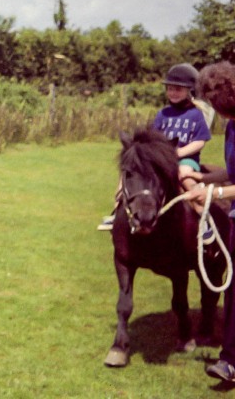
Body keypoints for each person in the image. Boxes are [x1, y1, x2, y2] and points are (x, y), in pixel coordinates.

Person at [98, 63, 213, 238]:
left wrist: (179, 153)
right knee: (130, 175)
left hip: (185, 160)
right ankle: (116, 213)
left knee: (186, 178)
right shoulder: (163, 114)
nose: (173, 93)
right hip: (161, 160)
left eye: (178, 90)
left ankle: (204, 219)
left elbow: (200, 141)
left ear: (189, 90)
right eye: (170, 89)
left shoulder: (195, 115)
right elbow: (152, 138)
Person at [181, 61, 235, 382]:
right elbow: (232, 170)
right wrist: (200, 176)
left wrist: (215, 194)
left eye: (217, 104)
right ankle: (230, 361)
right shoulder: (231, 128)